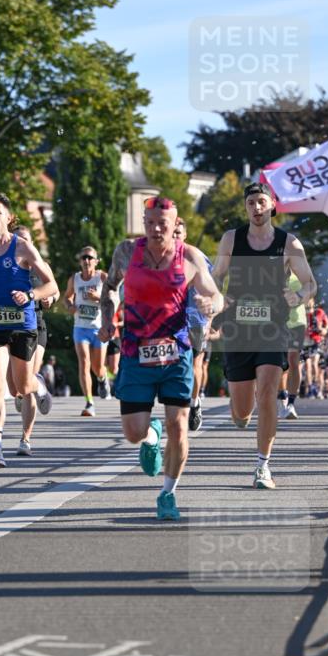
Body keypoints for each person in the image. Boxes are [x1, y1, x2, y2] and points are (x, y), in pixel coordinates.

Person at [99, 196, 223, 521]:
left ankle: (168, 493)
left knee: (179, 426)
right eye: (150, 222)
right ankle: (150, 433)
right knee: (133, 433)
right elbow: (110, 286)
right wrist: (106, 317)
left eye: (162, 224)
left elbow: (216, 294)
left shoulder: (191, 257)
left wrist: (213, 306)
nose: (156, 229)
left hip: (176, 353)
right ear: (144, 222)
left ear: (175, 224)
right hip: (135, 353)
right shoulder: (127, 252)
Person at [212, 181, 316, 490]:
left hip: (273, 329)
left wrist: (299, 298)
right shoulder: (231, 239)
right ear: (245, 209)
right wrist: (220, 297)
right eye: (251, 204)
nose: (256, 208)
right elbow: (216, 276)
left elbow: (309, 283)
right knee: (242, 411)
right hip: (238, 331)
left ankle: (262, 466)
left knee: (268, 391)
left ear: (271, 205)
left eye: (261, 202)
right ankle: (240, 414)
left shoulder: (289, 244)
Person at [0, 192, 57, 469]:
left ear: (8, 217)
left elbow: (51, 285)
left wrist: (30, 295)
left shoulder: (23, 248)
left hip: (23, 325)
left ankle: (39, 384)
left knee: (21, 387)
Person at [8, 225, 60, 456]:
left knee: (27, 382)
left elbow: (54, 290)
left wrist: (51, 300)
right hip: (8, 327)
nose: (22, 243)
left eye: (26, 239)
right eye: (18, 239)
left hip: (35, 327)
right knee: (14, 387)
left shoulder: (40, 265)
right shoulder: (5, 264)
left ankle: (25, 438)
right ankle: (31, 385)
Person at [172, 216, 213, 433]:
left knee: (196, 364)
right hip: (172, 320)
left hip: (196, 319)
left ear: (185, 235)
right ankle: (178, 404)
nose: (175, 237)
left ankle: (195, 402)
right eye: (173, 233)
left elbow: (213, 292)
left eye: (179, 233)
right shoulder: (162, 257)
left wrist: (209, 320)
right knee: (176, 363)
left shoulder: (198, 258)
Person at [65, 245, 110, 416]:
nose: (86, 261)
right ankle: (89, 402)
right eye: (83, 258)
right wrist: (70, 306)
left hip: (98, 328)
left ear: (96, 261)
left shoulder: (102, 277)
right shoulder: (74, 279)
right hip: (80, 327)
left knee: (97, 367)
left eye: (90, 258)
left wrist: (98, 297)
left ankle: (102, 377)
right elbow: (67, 296)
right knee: (84, 363)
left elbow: (114, 297)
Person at [277, 270, 306, 420]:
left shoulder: (299, 275)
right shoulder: (272, 274)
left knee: (293, 360)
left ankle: (291, 404)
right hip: (277, 323)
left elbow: (310, 291)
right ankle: (282, 397)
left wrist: (298, 297)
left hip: (297, 323)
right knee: (281, 364)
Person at [304, 298, 328, 398]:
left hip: (316, 341)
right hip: (305, 342)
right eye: (306, 301)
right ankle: (311, 388)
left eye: (309, 300)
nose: (308, 302)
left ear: (313, 302)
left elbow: (327, 324)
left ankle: (317, 388)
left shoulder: (319, 312)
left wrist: (324, 329)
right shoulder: (302, 313)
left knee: (315, 365)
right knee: (307, 366)